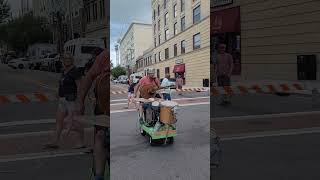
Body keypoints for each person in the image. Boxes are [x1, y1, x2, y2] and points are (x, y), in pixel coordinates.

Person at [77, 49, 109, 180]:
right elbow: (89, 76)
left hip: (105, 106)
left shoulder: (105, 56)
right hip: (102, 107)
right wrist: (80, 101)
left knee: (102, 138)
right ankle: (99, 175)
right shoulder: (104, 56)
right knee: (101, 137)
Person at [45, 52, 85, 149]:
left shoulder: (75, 71)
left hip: (72, 100)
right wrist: (58, 93)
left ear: (72, 60)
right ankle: (55, 141)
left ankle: (80, 142)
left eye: (68, 58)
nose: (66, 60)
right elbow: (62, 84)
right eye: (65, 59)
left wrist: (79, 101)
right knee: (59, 120)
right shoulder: (64, 71)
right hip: (62, 100)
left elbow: (80, 87)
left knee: (74, 123)